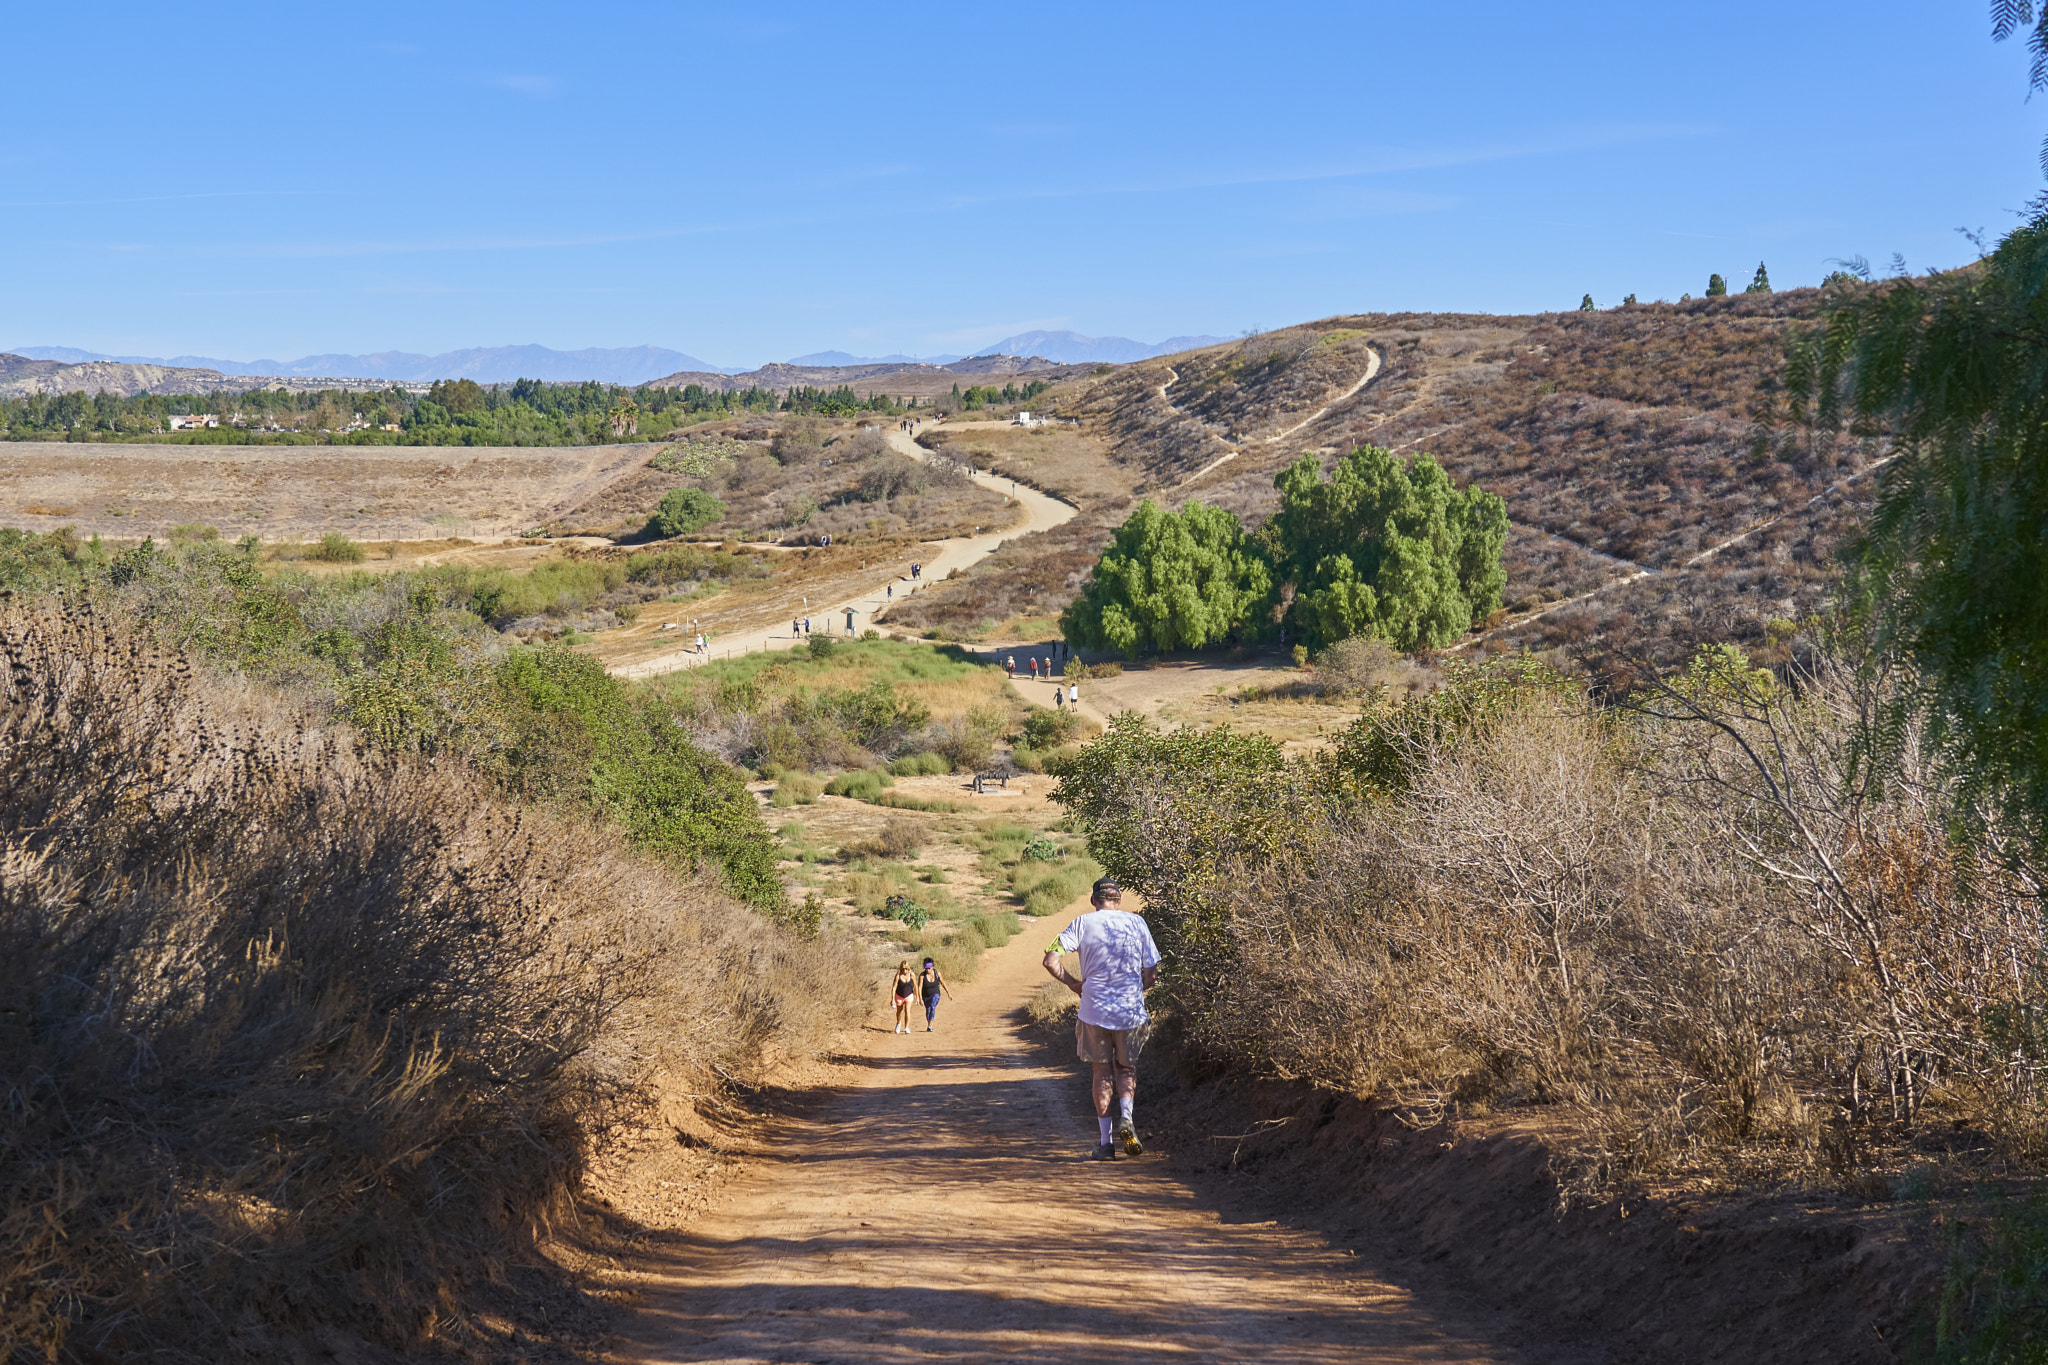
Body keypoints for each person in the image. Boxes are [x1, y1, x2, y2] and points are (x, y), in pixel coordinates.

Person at [1043, 878, 1160, 1160]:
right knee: (1127, 1068)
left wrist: (1073, 984)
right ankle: (1128, 1118)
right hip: (1130, 1010)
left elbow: (1050, 960)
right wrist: (1137, 989)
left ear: (1094, 901)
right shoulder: (1137, 923)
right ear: (1119, 901)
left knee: (1101, 1072)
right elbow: (1152, 971)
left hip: (1094, 1010)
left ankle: (1106, 1143)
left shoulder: (1082, 923)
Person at [918, 956, 951, 1031]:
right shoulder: (922, 976)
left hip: (936, 994)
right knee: (928, 1009)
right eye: (926, 968)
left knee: (932, 1006)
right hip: (925, 996)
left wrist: (948, 992)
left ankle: (930, 1025)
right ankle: (929, 1025)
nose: (927, 970)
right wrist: (920, 998)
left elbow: (943, 983)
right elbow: (919, 987)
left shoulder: (937, 974)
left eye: (929, 968)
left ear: (932, 967)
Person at [890, 961, 917, 1034]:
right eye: (903, 969)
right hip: (899, 995)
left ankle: (907, 1027)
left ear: (908, 968)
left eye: (906, 969)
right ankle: (898, 1024)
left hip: (909, 995)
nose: (904, 970)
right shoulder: (898, 976)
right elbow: (894, 987)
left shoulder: (912, 974)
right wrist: (892, 999)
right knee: (899, 1011)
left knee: (907, 1011)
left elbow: (915, 986)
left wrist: (917, 996)